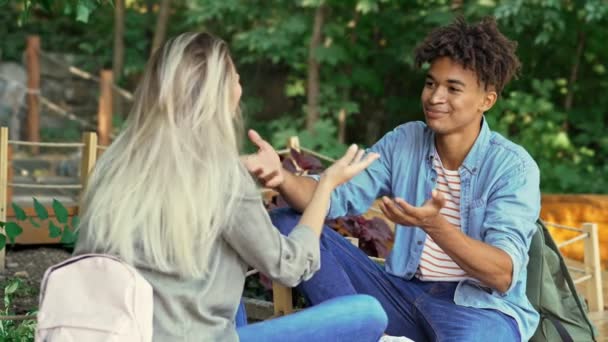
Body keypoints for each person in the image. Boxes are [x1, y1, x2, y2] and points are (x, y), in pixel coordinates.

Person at [73, 32, 389, 342]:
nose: (240, 86)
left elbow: (180, 173)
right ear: (221, 95)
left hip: (117, 333)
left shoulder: (114, 163)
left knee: (225, 260)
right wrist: (326, 187)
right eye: (236, 79)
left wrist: (240, 165)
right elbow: (290, 267)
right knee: (367, 313)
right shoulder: (221, 177)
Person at [243, 17, 541, 341]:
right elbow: (332, 196)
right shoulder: (404, 141)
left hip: (479, 311)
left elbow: (502, 273)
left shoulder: (513, 167)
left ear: (487, 100)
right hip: (400, 295)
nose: (435, 97)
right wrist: (281, 177)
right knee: (289, 221)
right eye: (430, 83)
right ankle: (370, 334)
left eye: (452, 88)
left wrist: (433, 224)